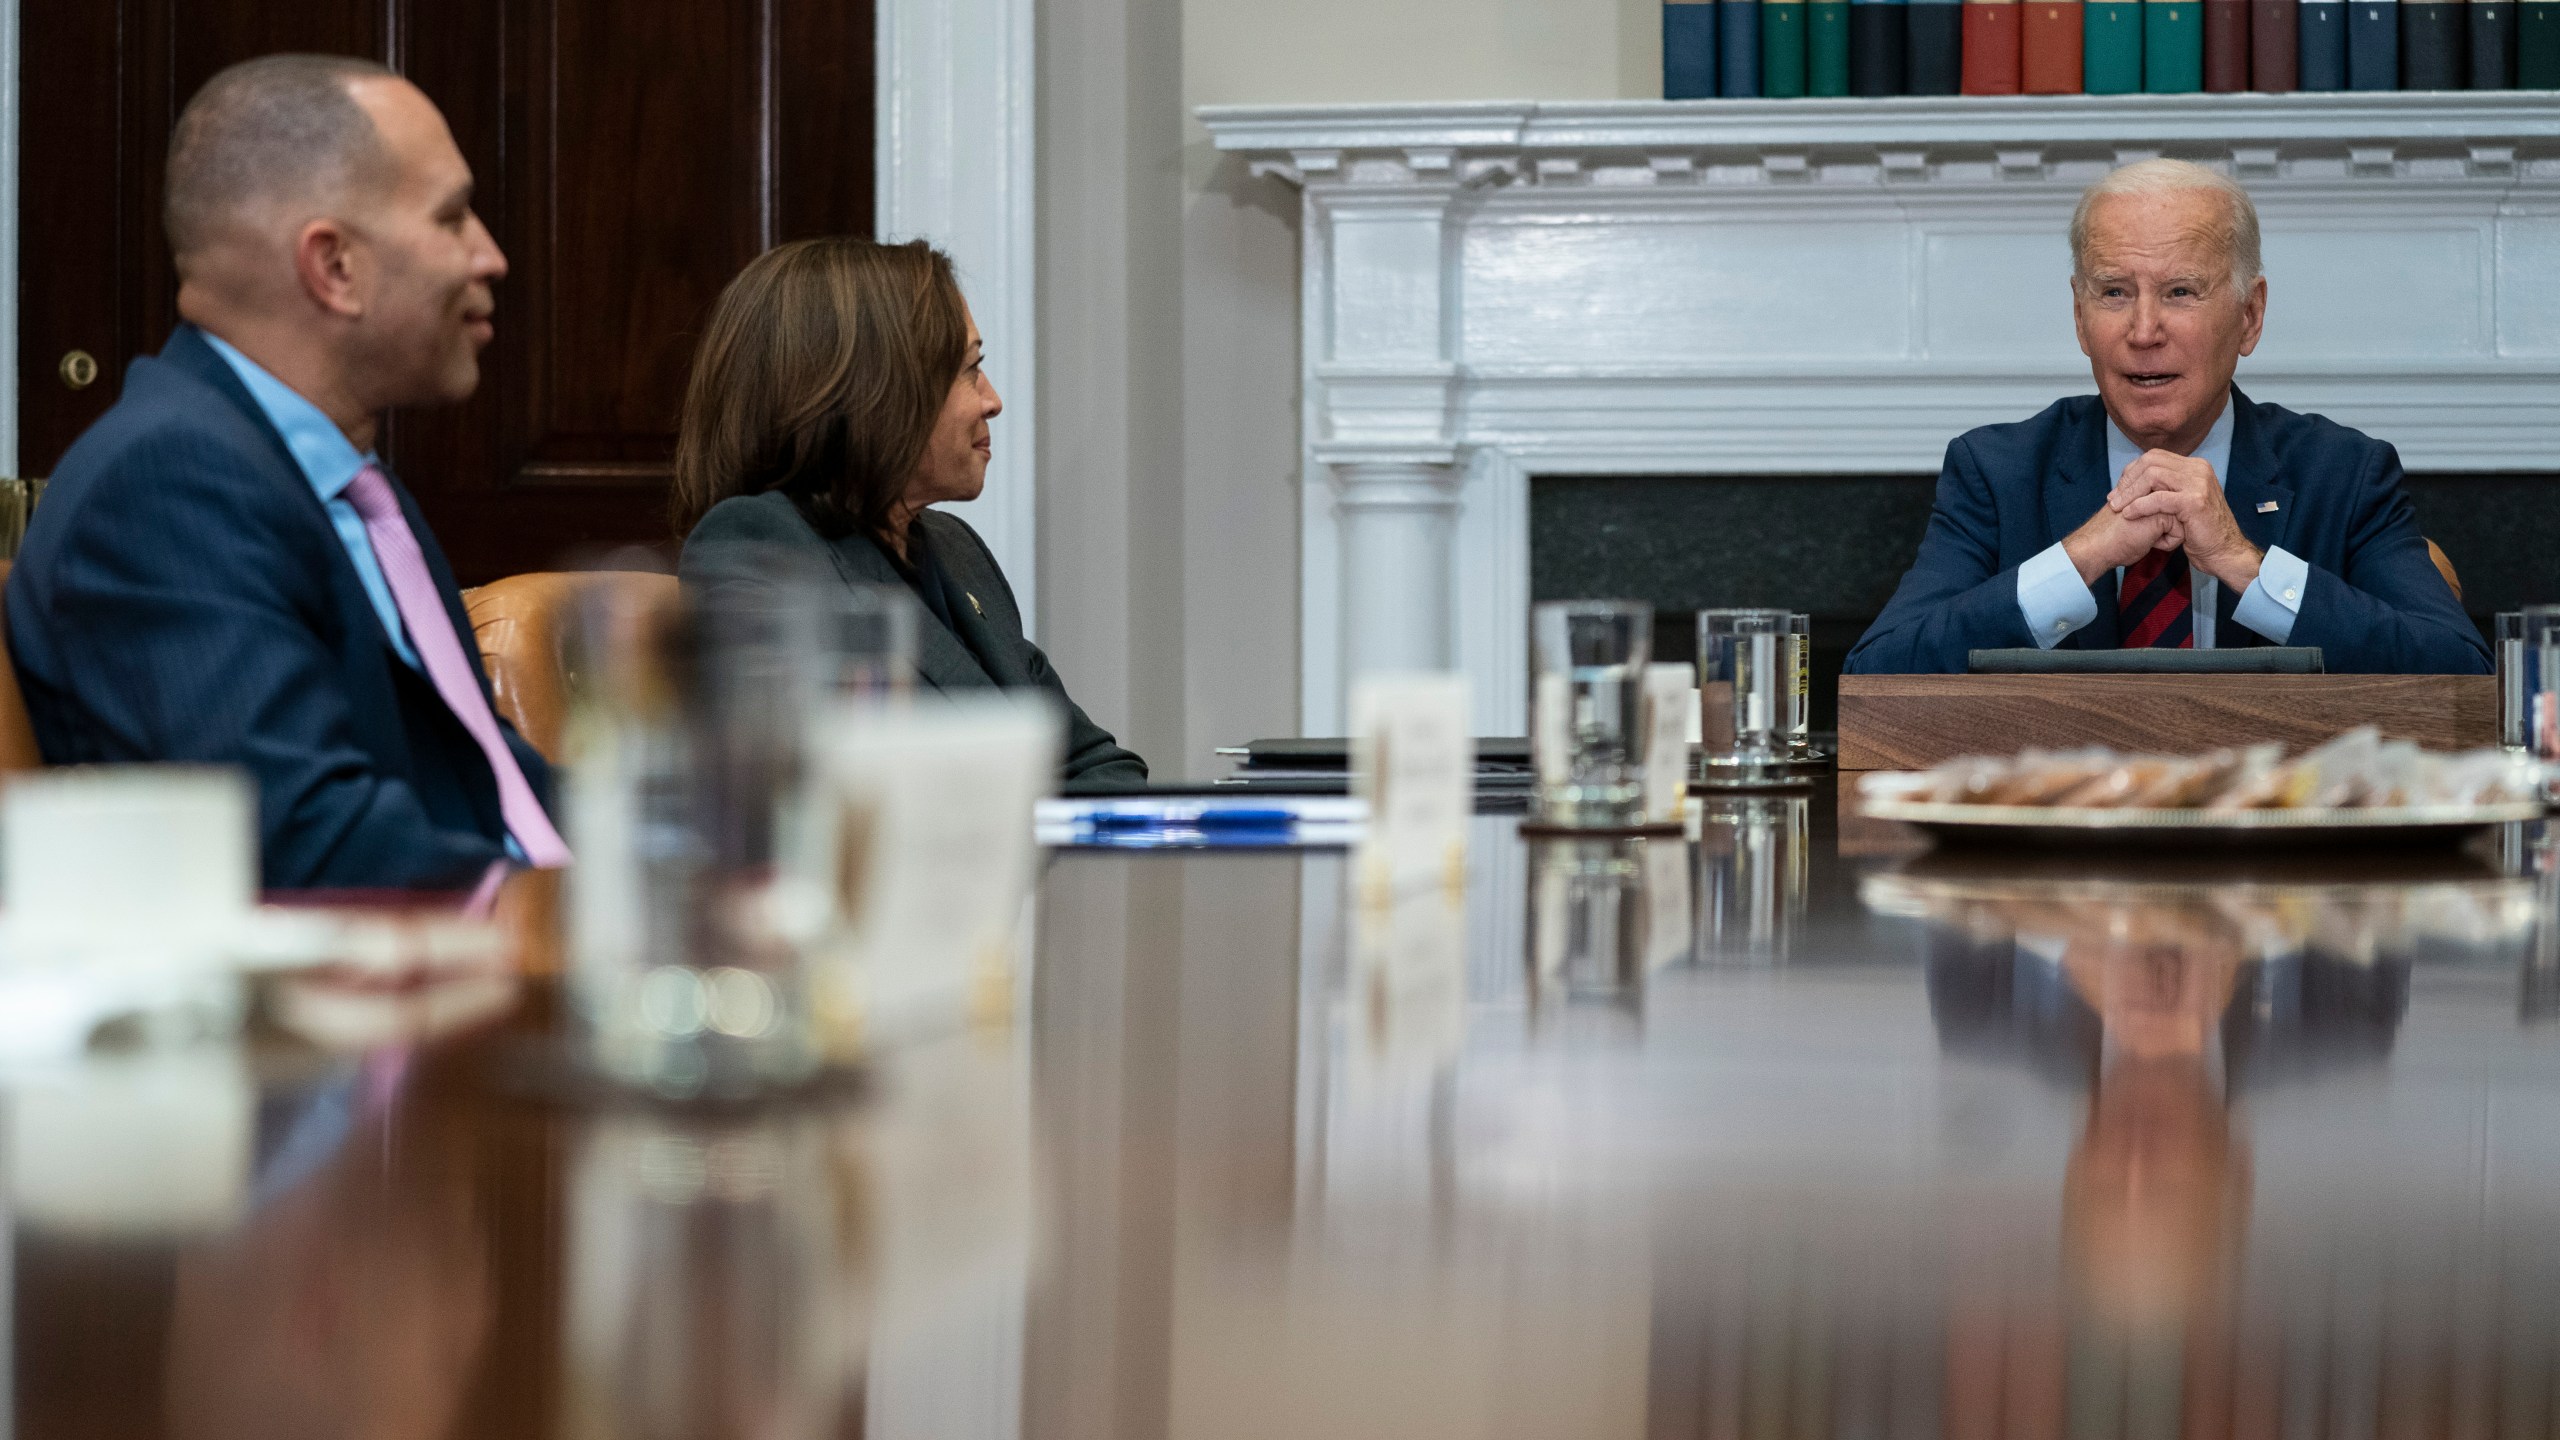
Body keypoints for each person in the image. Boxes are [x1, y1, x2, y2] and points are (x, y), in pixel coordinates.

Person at [7, 55, 562, 889]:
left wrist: (693, 858)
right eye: (453, 218)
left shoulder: (347, 484)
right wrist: (588, 915)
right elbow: (303, 842)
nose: (489, 257)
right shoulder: (164, 485)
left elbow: (481, 778)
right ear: (333, 266)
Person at [1848, 159, 2489, 676]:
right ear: (2079, 316)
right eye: (2114, 293)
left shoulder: (2343, 474)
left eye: (2181, 291)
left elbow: (2460, 672)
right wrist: (2080, 557)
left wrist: (2243, 561)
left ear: (2249, 316)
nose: (2144, 330)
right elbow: (1876, 673)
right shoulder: (1997, 471)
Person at [673, 237, 1148, 788]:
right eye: (970, 369)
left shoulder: (954, 549)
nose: (991, 399)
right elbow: (829, 787)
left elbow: (1097, 764)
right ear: (879, 391)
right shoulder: (758, 545)